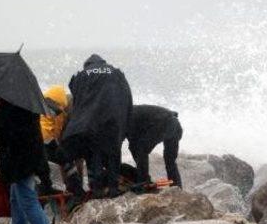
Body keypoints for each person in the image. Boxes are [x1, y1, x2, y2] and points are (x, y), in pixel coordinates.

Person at [0, 98, 64, 224]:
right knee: (16, 199)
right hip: (27, 158)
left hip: (19, 160)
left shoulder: (13, 101)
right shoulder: (26, 101)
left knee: (28, 201)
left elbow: (10, 128)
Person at [59, 54, 132, 198]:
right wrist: (125, 124)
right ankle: (113, 188)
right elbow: (127, 97)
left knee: (93, 153)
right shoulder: (118, 73)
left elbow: (76, 97)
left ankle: (96, 189)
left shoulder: (81, 75)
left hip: (91, 122)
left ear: (87, 65)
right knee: (114, 153)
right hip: (114, 122)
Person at [37, 86, 85, 199]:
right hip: (44, 137)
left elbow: (60, 134)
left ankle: (48, 188)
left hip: (40, 138)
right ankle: (77, 192)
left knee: (61, 161)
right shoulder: (62, 103)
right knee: (66, 161)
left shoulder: (61, 111)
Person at [127, 105, 183, 188]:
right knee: (170, 160)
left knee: (139, 148)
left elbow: (124, 142)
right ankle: (177, 187)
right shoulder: (127, 113)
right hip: (176, 125)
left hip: (165, 124)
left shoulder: (124, 117)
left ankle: (143, 181)